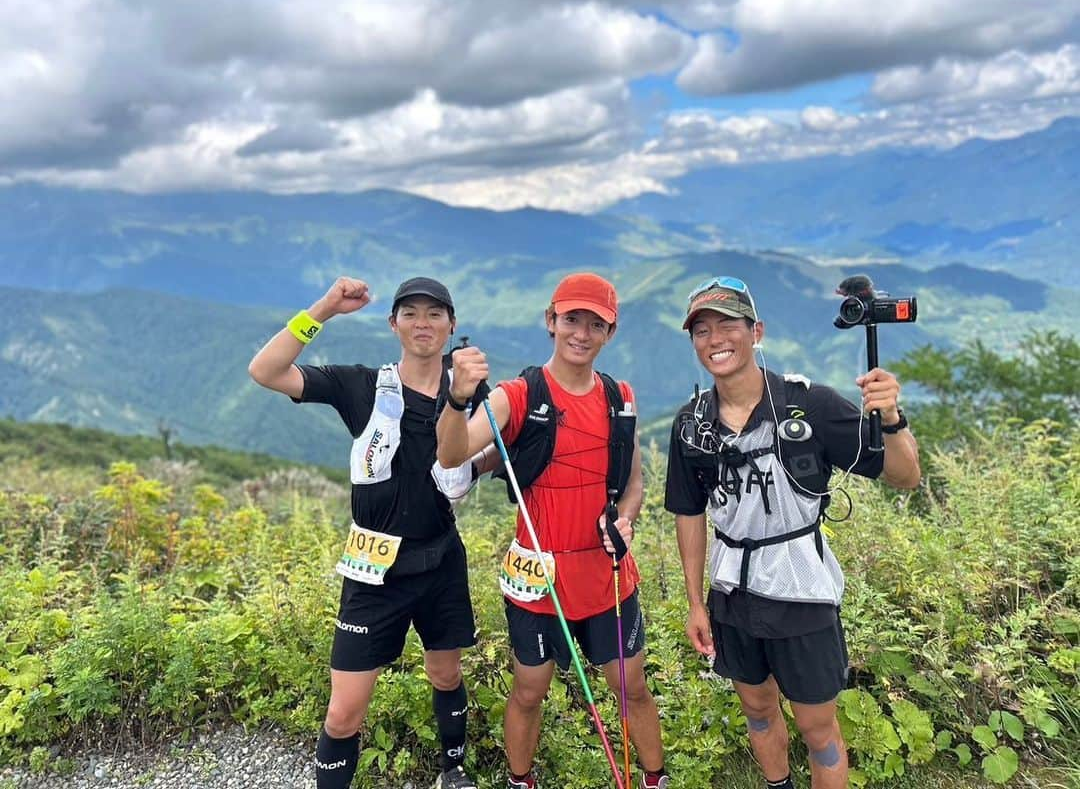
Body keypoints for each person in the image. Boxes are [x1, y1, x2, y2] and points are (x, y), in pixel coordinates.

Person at [664, 277, 921, 789]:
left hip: (801, 590)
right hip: (732, 594)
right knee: (757, 709)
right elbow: (689, 514)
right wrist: (696, 602)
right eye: (701, 330)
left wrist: (890, 416)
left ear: (755, 331)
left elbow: (904, 476)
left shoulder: (810, 406)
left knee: (817, 727)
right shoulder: (692, 424)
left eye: (728, 325)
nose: (715, 339)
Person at [248, 275, 485, 789]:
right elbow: (265, 370)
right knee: (343, 713)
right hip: (373, 568)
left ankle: (453, 770)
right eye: (411, 313)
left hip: (441, 559)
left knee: (445, 674)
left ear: (451, 325)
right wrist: (327, 307)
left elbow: (481, 455)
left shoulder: (466, 388)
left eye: (434, 314)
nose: (423, 323)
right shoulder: (362, 385)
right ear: (393, 322)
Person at [436, 272, 669, 789]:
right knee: (529, 690)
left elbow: (633, 483)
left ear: (610, 331)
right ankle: (520, 780)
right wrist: (457, 397)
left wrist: (626, 518)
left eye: (595, 324)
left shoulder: (619, 397)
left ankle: (655, 779)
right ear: (551, 321)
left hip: (607, 572)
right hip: (538, 579)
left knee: (630, 686)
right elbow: (452, 453)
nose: (581, 333)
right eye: (571, 320)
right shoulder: (518, 396)